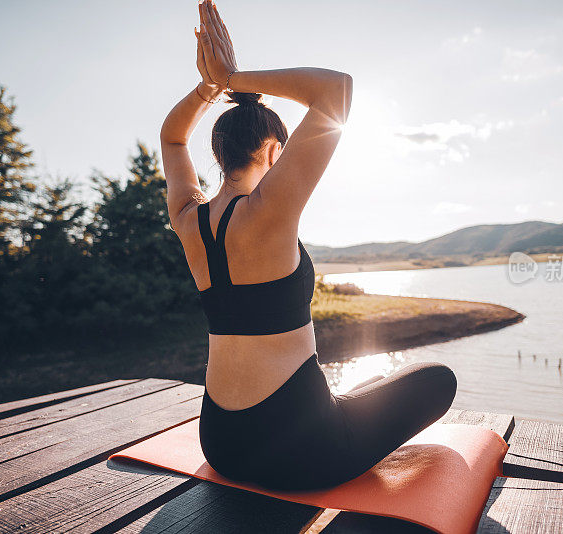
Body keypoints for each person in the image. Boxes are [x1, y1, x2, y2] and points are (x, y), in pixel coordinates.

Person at [160, 0, 457, 491]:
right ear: (274, 151)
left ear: (218, 154)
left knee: (358, 389)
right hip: (301, 450)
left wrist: (206, 88)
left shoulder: (188, 219)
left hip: (221, 442)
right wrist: (232, 77)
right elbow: (336, 89)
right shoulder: (269, 210)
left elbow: (172, 140)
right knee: (437, 378)